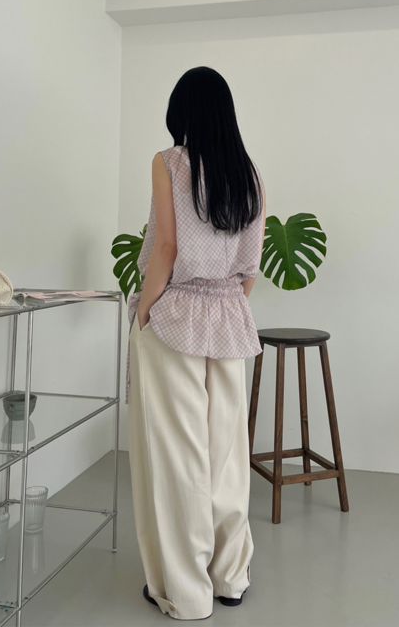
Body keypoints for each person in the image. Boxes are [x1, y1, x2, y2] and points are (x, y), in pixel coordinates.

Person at [126, 66, 266, 620]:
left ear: (181, 111)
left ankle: (186, 592)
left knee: (179, 455)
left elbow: (166, 248)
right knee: (226, 451)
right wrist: (228, 301)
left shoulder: (169, 163)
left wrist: (146, 309)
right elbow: (250, 266)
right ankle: (230, 576)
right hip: (230, 316)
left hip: (174, 315)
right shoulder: (249, 173)